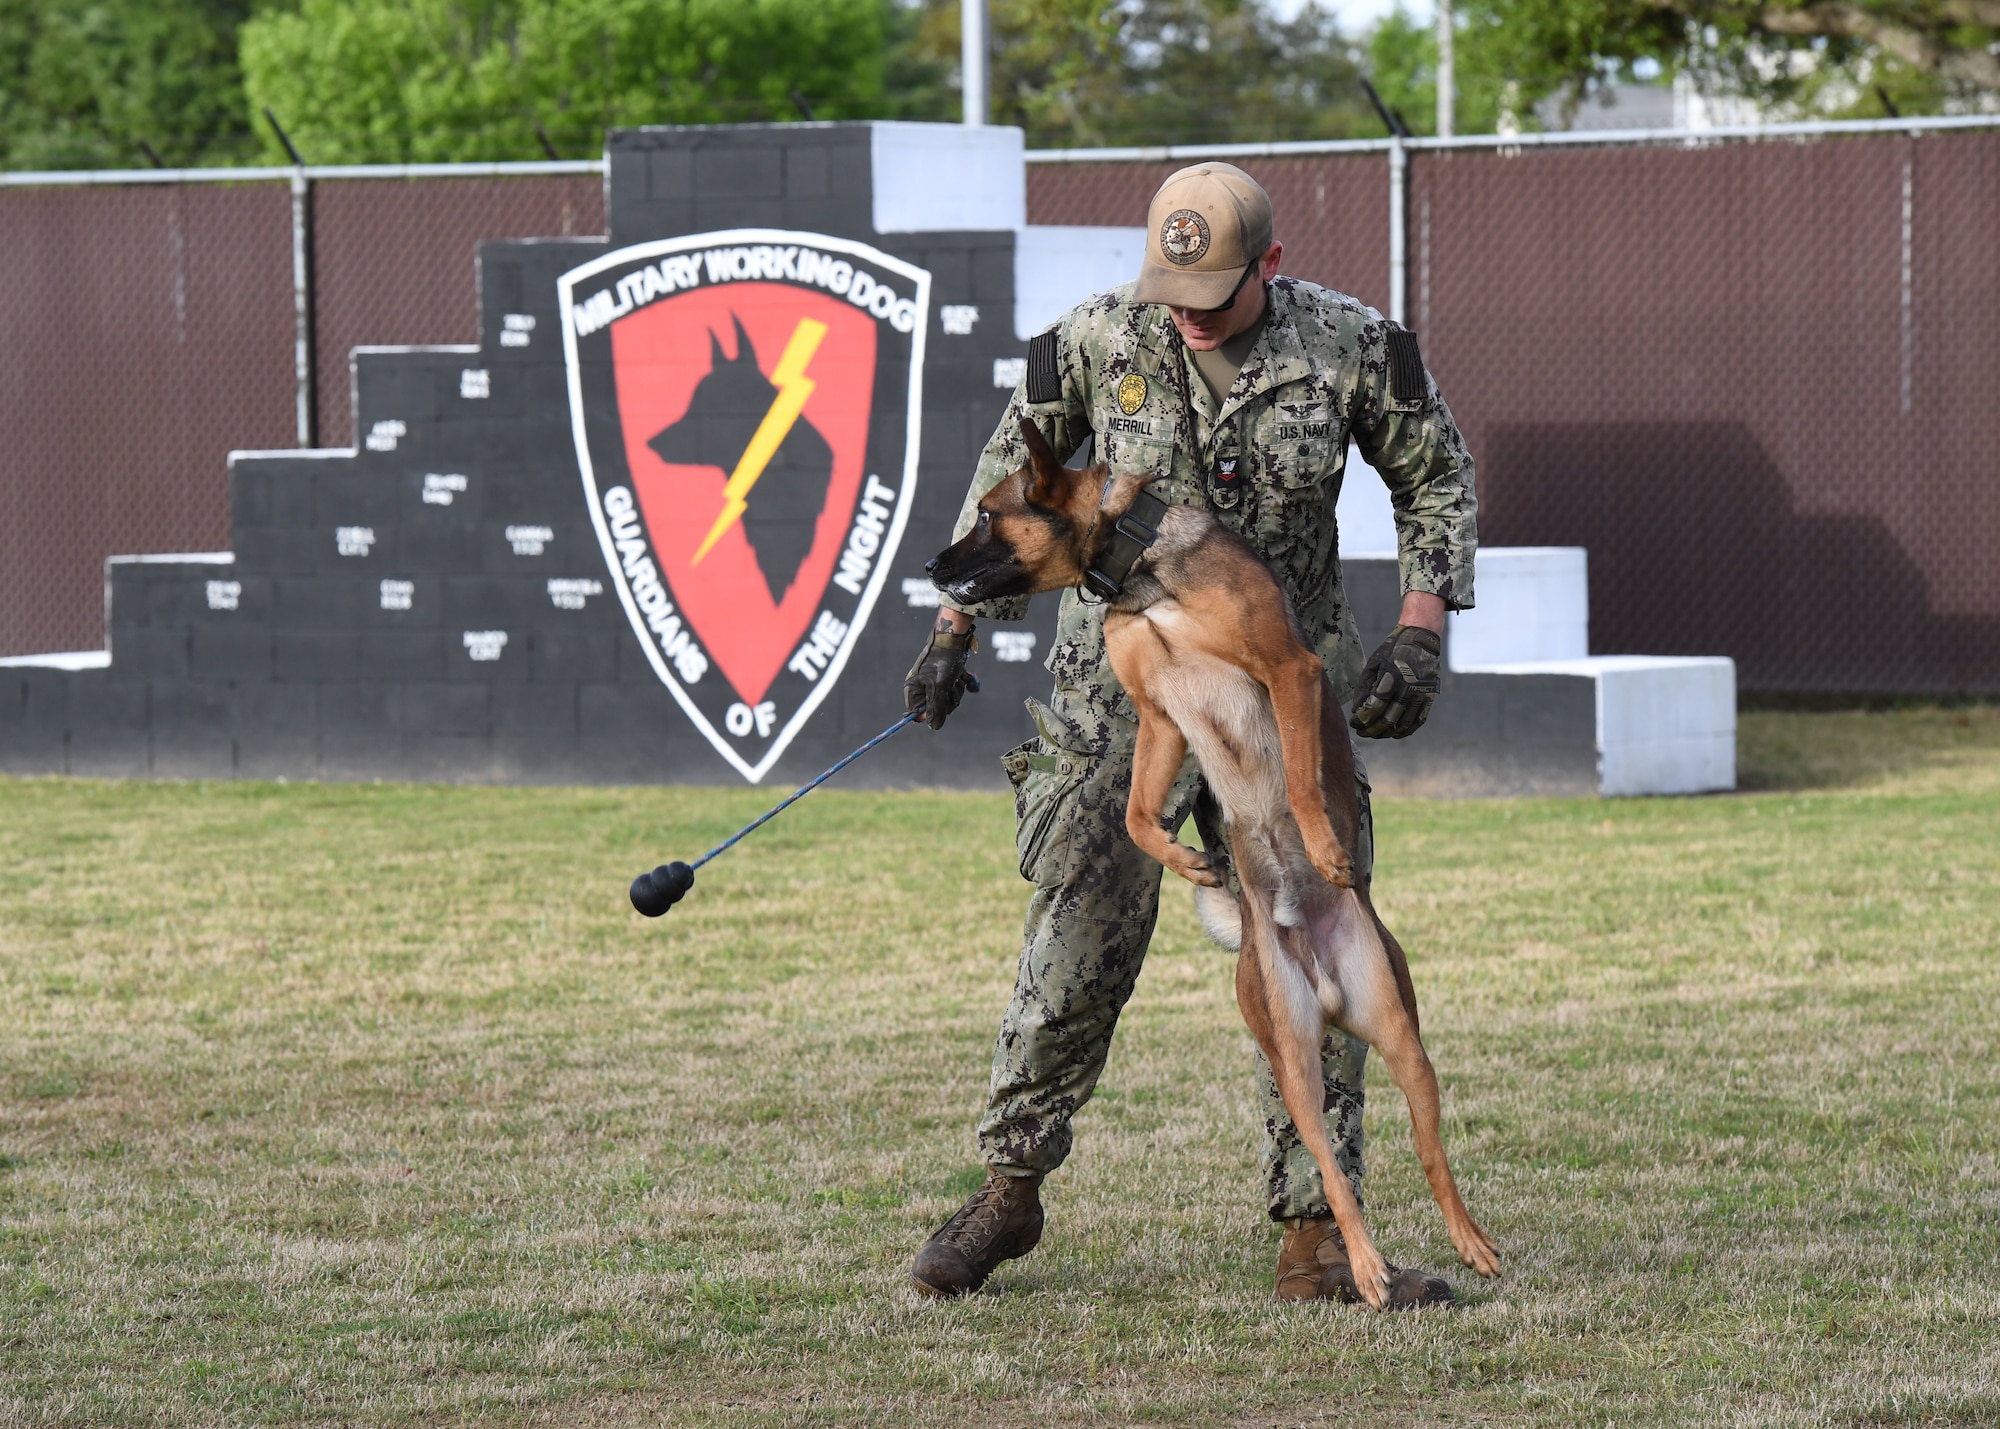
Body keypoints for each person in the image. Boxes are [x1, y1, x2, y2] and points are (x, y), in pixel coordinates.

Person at [902, 163, 1478, 1308]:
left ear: (1269, 263)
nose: (1188, 309)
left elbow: (1434, 478)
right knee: (1075, 920)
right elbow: (1006, 483)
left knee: (1318, 923)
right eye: (1174, 285)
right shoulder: (1092, 337)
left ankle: (1314, 1233)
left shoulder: (1351, 346)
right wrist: (953, 627)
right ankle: (1008, 1189)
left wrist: (1418, 632)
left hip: (1278, 692)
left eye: (1214, 289)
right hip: (1124, 685)